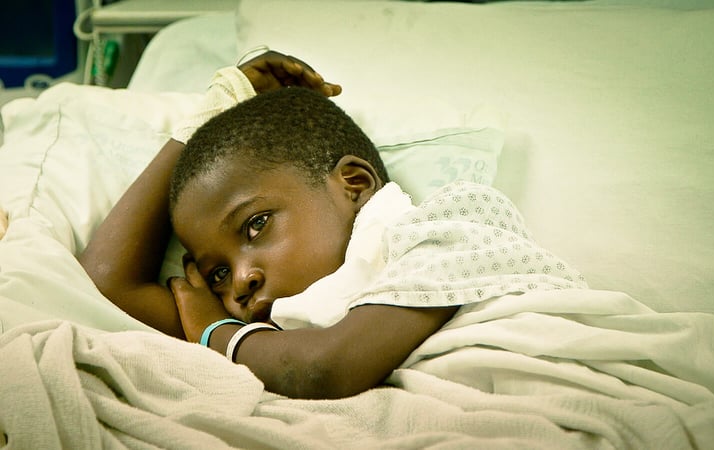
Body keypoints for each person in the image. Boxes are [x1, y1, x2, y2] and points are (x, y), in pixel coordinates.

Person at [80, 51, 585, 399]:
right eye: (217, 274)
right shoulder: (266, 332)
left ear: (354, 185)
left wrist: (215, 331)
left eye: (256, 226)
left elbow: (322, 369)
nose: (240, 282)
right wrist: (219, 101)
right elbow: (107, 280)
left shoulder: (451, 224)